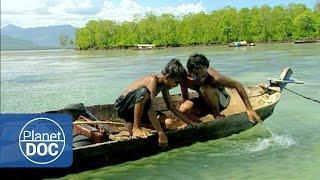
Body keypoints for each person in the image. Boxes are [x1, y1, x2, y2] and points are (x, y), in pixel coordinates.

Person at [114, 58, 196, 147]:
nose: (176, 85)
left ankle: (144, 127)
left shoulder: (164, 85)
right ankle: (136, 128)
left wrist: (190, 123)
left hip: (139, 110)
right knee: (144, 92)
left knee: (169, 123)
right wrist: (160, 132)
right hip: (124, 106)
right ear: (168, 77)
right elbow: (149, 107)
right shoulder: (152, 80)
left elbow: (171, 107)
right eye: (176, 82)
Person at [179, 53, 261, 126]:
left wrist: (249, 109)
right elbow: (185, 97)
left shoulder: (215, 78)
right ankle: (201, 125)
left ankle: (217, 115)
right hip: (205, 101)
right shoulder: (185, 79)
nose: (201, 79)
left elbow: (237, 85)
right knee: (182, 109)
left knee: (205, 88)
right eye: (196, 76)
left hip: (222, 100)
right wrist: (187, 117)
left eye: (204, 76)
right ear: (189, 73)